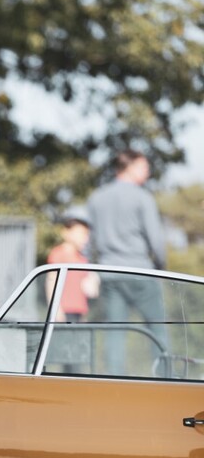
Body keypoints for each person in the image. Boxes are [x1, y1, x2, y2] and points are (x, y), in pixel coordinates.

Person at [86, 150, 167, 373]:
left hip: (109, 274)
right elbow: (156, 240)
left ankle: (114, 384)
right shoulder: (143, 197)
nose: (148, 172)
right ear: (129, 167)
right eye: (144, 167)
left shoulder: (97, 197)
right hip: (141, 273)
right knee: (158, 330)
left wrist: (91, 270)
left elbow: (88, 241)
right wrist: (162, 268)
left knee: (115, 332)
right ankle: (166, 378)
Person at [46, 210, 94, 323]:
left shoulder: (82, 259)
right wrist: (56, 310)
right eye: (81, 233)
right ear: (66, 232)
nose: (85, 239)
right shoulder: (58, 254)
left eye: (86, 234)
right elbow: (51, 282)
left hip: (79, 312)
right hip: (64, 312)